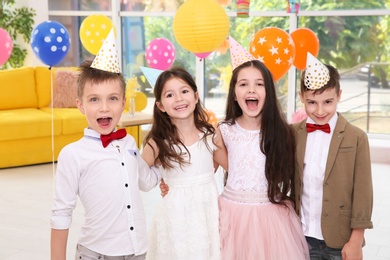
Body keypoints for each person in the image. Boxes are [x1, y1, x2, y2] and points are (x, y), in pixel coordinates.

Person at [50, 55, 160, 258]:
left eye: (113, 98)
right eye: (94, 99)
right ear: (80, 105)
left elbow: (145, 181)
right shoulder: (73, 155)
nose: (104, 107)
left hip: (137, 252)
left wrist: (165, 161)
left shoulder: (129, 143)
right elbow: (61, 214)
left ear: (123, 103)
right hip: (96, 254)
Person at [217, 59, 309, 260]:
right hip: (231, 217)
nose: (251, 90)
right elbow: (206, 170)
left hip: (271, 220)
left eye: (259, 84)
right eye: (243, 84)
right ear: (234, 93)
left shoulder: (281, 132)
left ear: (269, 92)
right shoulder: (223, 130)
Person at [292, 53, 373, 260]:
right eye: (311, 102)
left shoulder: (357, 138)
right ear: (301, 97)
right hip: (301, 236)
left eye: (327, 101)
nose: (320, 110)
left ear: (339, 95)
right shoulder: (292, 134)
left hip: (340, 240)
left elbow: (363, 193)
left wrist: (355, 241)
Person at [142, 67, 228, 260]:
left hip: (207, 215)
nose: (179, 99)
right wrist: (160, 178)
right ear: (161, 106)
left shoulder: (210, 136)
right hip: (175, 218)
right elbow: (139, 177)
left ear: (196, 96)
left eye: (184, 91)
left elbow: (230, 167)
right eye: (170, 95)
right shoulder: (157, 142)